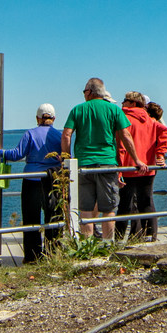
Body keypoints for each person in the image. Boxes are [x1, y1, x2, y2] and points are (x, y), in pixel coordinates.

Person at [63, 77, 145, 238]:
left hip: (84, 165)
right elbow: (126, 135)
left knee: (86, 209)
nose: (84, 94)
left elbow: (66, 135)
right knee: (108, 209)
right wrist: (136, 160)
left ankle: (87, 246)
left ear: (90, 92)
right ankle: (108, 245)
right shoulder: (114, 110)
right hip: (107, 163)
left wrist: (67, 159)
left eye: (84, 91)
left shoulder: (77, 110)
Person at [0, 103, 64, 263]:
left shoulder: (30, 134)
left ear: (37, 118)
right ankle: (53, 253)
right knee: (53, 217)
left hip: (32, 180)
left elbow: (17, 154)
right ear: (54, 118)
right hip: (53, 180)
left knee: (31, 218)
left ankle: (32, 256)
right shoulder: (59, 136)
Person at [115, 92, 167, 241]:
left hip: (129, 168)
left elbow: (121, 147)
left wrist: (119, 171)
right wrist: (160, 154)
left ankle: (118, 238)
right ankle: (150, 236)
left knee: (124, 205)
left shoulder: (124, 119)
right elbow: (166, 132)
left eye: (125, 101)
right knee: (146, 201)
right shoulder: (150, 120)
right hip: (148, 167)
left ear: (133, 103)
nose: (122, 103)